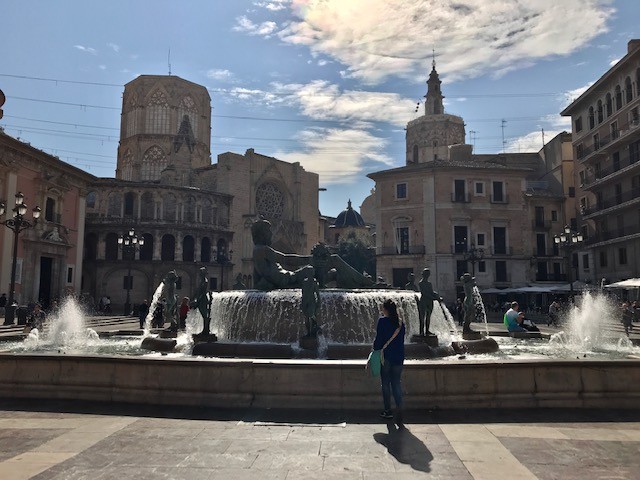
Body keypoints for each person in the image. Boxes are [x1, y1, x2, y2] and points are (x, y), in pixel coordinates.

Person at [372, 299, 405, 424]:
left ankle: (387, 411)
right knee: (396, 383)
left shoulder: (382, 321)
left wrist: (375, 349)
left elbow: (379, 340)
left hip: (385, 357)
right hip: (399, 357)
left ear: (386, 310)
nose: (382, 310)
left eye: (383, 308)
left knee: (385, 383)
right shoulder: (401, 323)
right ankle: (400, 407)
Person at [417, 268, 441, 336]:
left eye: (428, 274)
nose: (427, 275)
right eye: (426, 274)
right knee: (422, 317)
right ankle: (421, 331)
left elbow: (431, 291)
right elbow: (424, 293)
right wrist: (433, 298)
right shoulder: (421, 283)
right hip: (423, 301)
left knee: (428, 316)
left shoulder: (429, 283)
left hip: (430, 302)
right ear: (423, 274)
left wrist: (437, 296)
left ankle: (427, 330)